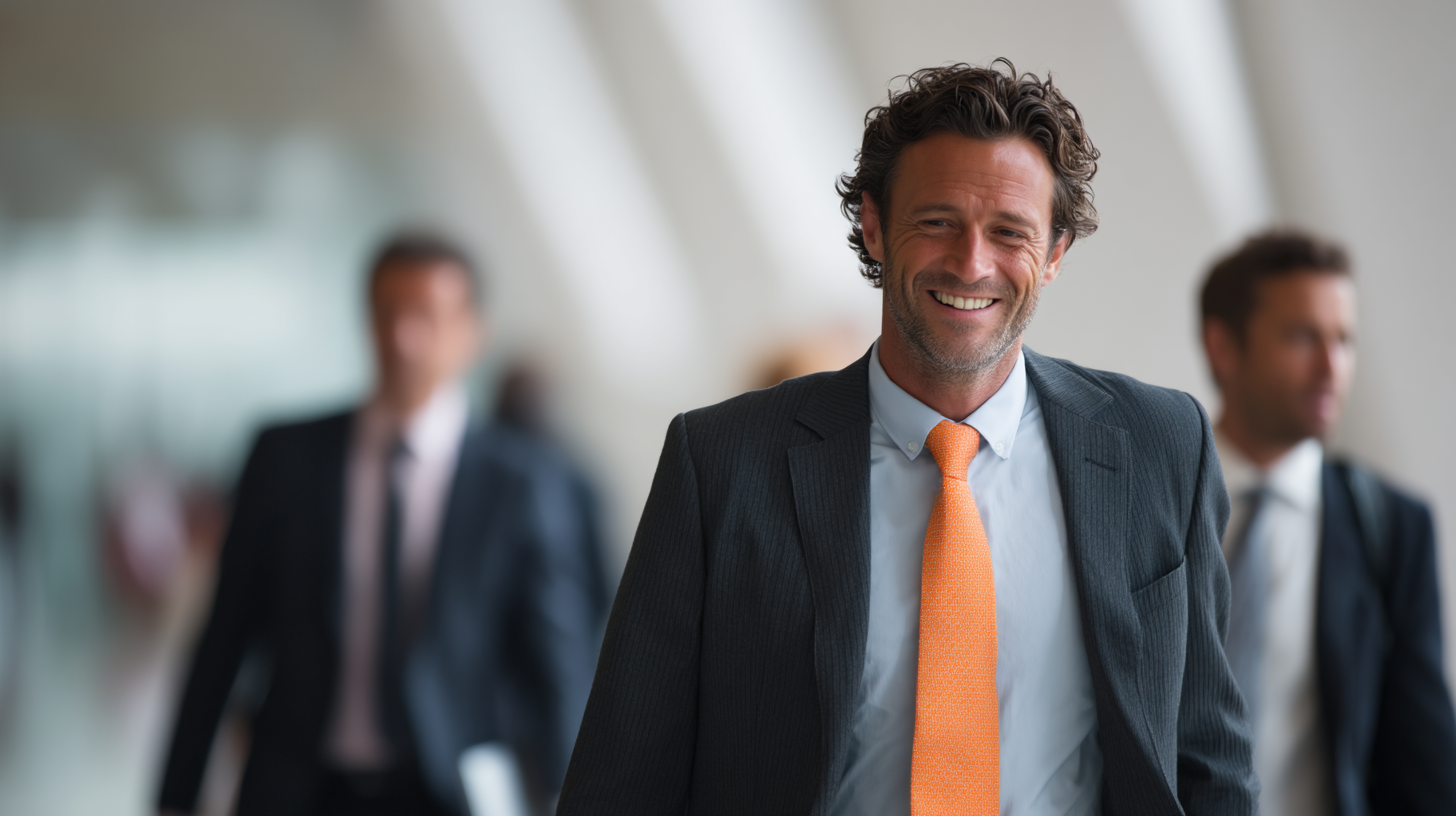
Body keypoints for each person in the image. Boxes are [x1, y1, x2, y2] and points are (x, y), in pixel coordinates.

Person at [559, 61, 1255, 816]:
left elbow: (1208, 758)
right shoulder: (723, 464)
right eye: (937, 222)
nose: (971, 262)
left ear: (1054, 255)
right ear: (875, 225)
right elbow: (621, 780)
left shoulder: (1160, 446)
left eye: (1009, 232)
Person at [156, 234, 605, 816]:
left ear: (472, 333)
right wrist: (176, 794)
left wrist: (569, 791)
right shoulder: (284, 458)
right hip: (298, 786)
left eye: (426, 317)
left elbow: (556, 655)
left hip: (452, 789)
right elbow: (224, 634)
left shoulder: (518, 483)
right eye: (386, 313)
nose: (402, 338)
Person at [1199, 230, 1456, 816]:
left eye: (1344, 341)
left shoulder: (1392, 527)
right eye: (1302, 337)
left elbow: (1422, 760)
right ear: (1223, 347)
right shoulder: (1147, 502)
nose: (1330, 367)